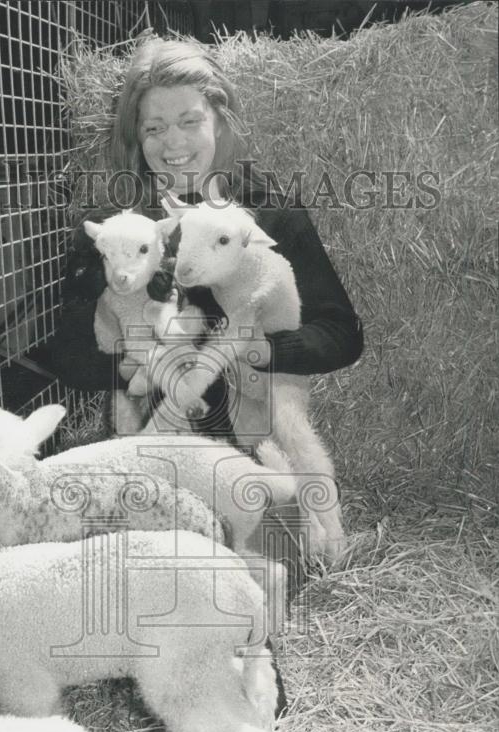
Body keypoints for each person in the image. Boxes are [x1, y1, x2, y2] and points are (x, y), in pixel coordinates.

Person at [30, 35, 363, 438]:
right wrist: (147, 365)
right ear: (137, 136)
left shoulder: (271, 213)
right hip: (150, 444)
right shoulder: (116, 227)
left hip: (253, 443)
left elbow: (342, 333)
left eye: (190, 121)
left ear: (220, 120)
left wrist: (258, 351)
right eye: (155, 127)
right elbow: (71, 355)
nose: (173, 142)